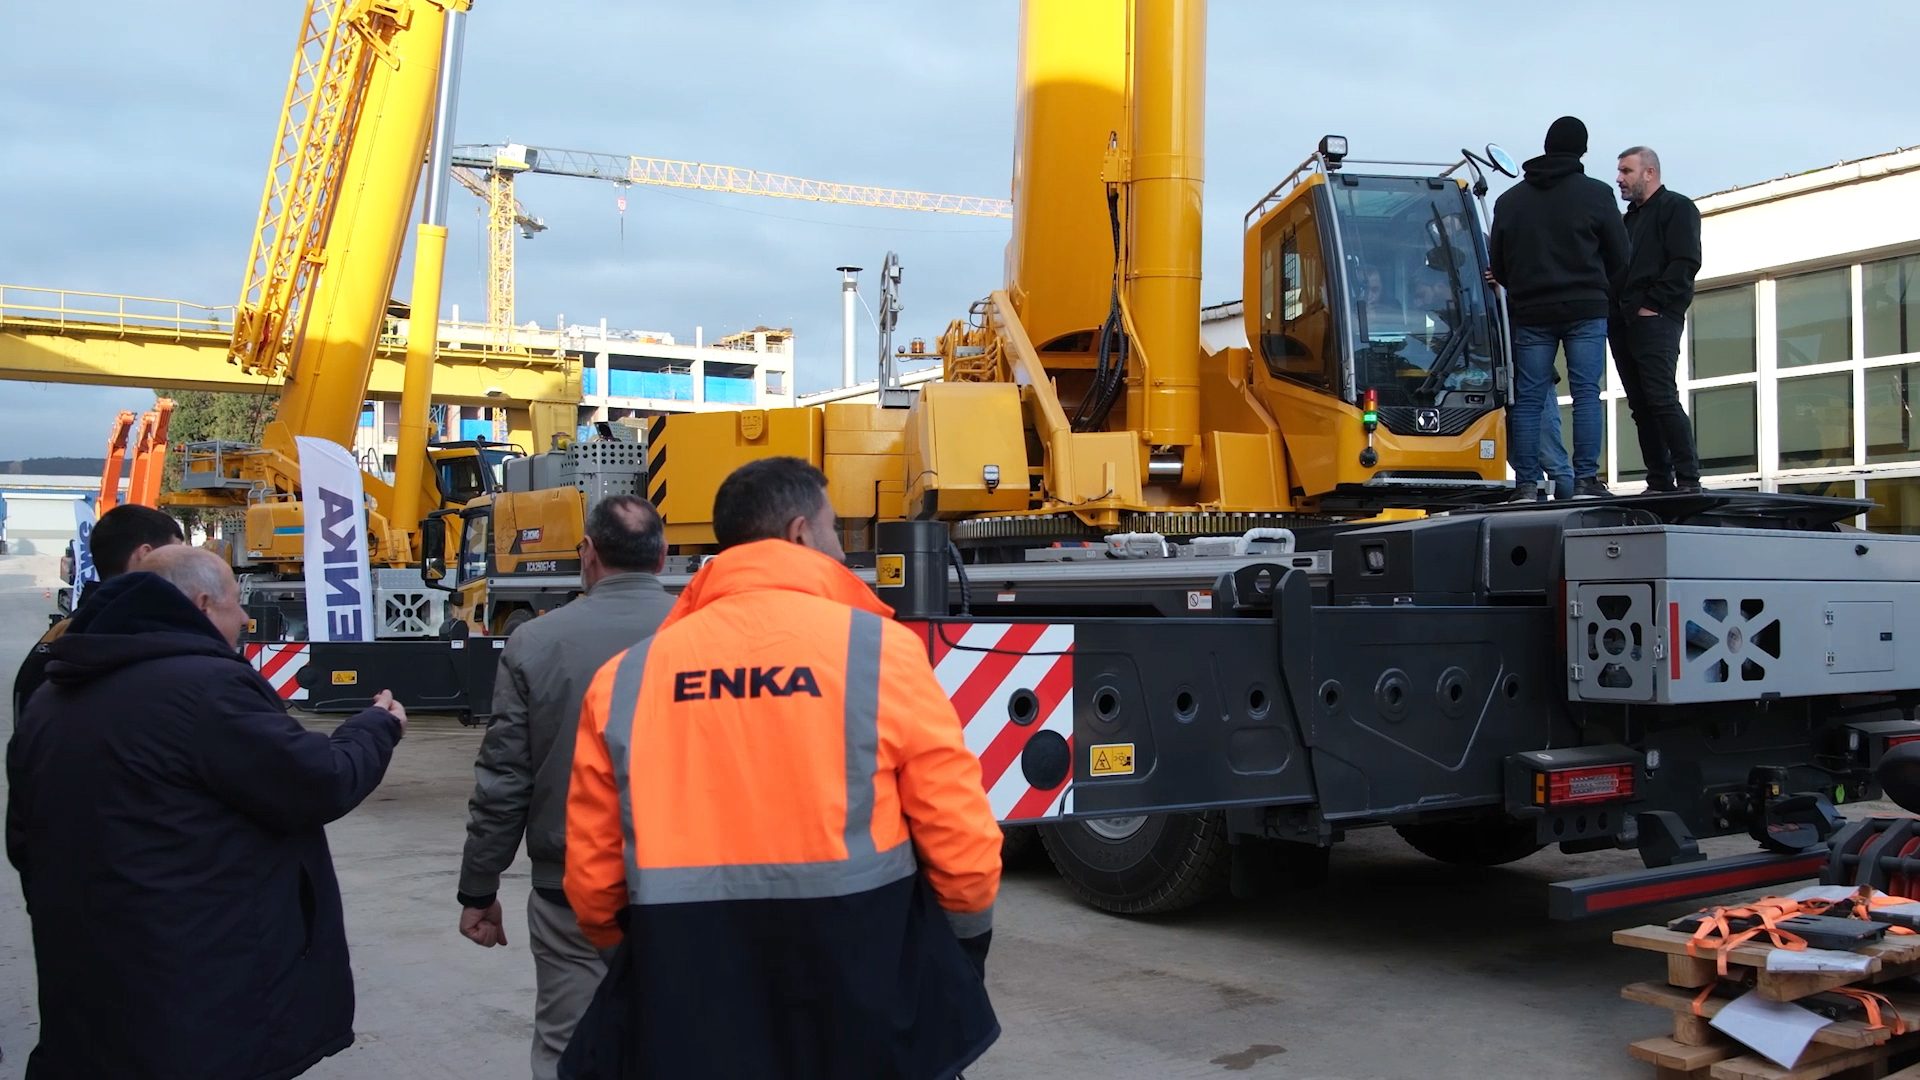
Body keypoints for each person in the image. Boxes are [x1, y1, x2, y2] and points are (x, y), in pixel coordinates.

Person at [563, 457, 1003, 1080]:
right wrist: (961, 950)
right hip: (864, 992)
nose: (839, 550)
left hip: (692, 1005)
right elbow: (961, 842)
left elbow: (593, 882)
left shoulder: (626, 679)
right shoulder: (881, 652)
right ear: (800, 534)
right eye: (832, 532)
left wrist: (650, 964)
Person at [5, 545, 408, 1079]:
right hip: (193, 1010)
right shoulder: (204, 690)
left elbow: (22, 841)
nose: (244, 619)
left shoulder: (51, 697)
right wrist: (376, 727)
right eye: (235, 604)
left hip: (86, 996)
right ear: (201, 605)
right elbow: (319, 780)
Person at [457, 495, 676, 1080]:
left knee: (569, 1046)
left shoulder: (534, 642)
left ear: (588, 554)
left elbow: (505, 780)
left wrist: (479, 890)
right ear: (662, 557)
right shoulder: (710, 635)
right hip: (689, 886)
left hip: (571, 888)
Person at [1488, 115, 1630, 502]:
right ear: (1582, 150)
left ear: (1547, 146)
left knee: (1529, 399)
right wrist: (1597, 284)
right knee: (1586, 392)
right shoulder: (1597, 194)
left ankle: (1527, 485)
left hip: (1532, 313)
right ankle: (1585, 481)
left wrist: (1523, 287)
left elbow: (1498, 265)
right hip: (1586, 308)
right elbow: (1621, 256)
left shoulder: (1510, 201)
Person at [12, 502, 184, 717]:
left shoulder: (59, 638)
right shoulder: (136, 642)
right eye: (178, 556)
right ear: (144, 556)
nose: (185, 568)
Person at [1613, 145, 1704, 493]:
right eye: (1620, 171)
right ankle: (1659, 479)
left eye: (1626, 171)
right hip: (1624, 320)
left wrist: (1654, 304)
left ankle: (1688, 478)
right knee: (1640, 404)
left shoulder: (1677, 208)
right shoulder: (1628, 220)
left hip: (1656, 318)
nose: (1620, 179)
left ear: (1649, 172)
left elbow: (1685, 262)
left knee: (1661, 397)